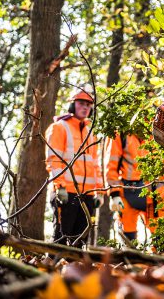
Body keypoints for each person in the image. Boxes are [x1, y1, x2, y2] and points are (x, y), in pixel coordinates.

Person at [46, 85, 104, 246]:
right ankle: (52, 269)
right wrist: (60, 187)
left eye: (88, 105)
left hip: (87, 195)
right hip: (66, 193)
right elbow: (53, 160)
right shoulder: (59, 127)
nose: (85, 107)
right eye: (81, 103)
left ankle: (75, 270)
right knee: (61, 237)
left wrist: (99, 191)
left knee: (80, 240)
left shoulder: (90, 132)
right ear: (72, 105)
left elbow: (95, 165)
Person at [105, 133, 164, 244]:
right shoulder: (120, 133)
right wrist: (114, 194)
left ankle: (160, 260)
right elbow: (111, 165)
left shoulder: (157, 132)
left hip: (155, 196)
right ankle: (129, 259)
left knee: (161, 239)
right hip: (128, 193)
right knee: (128, 239)